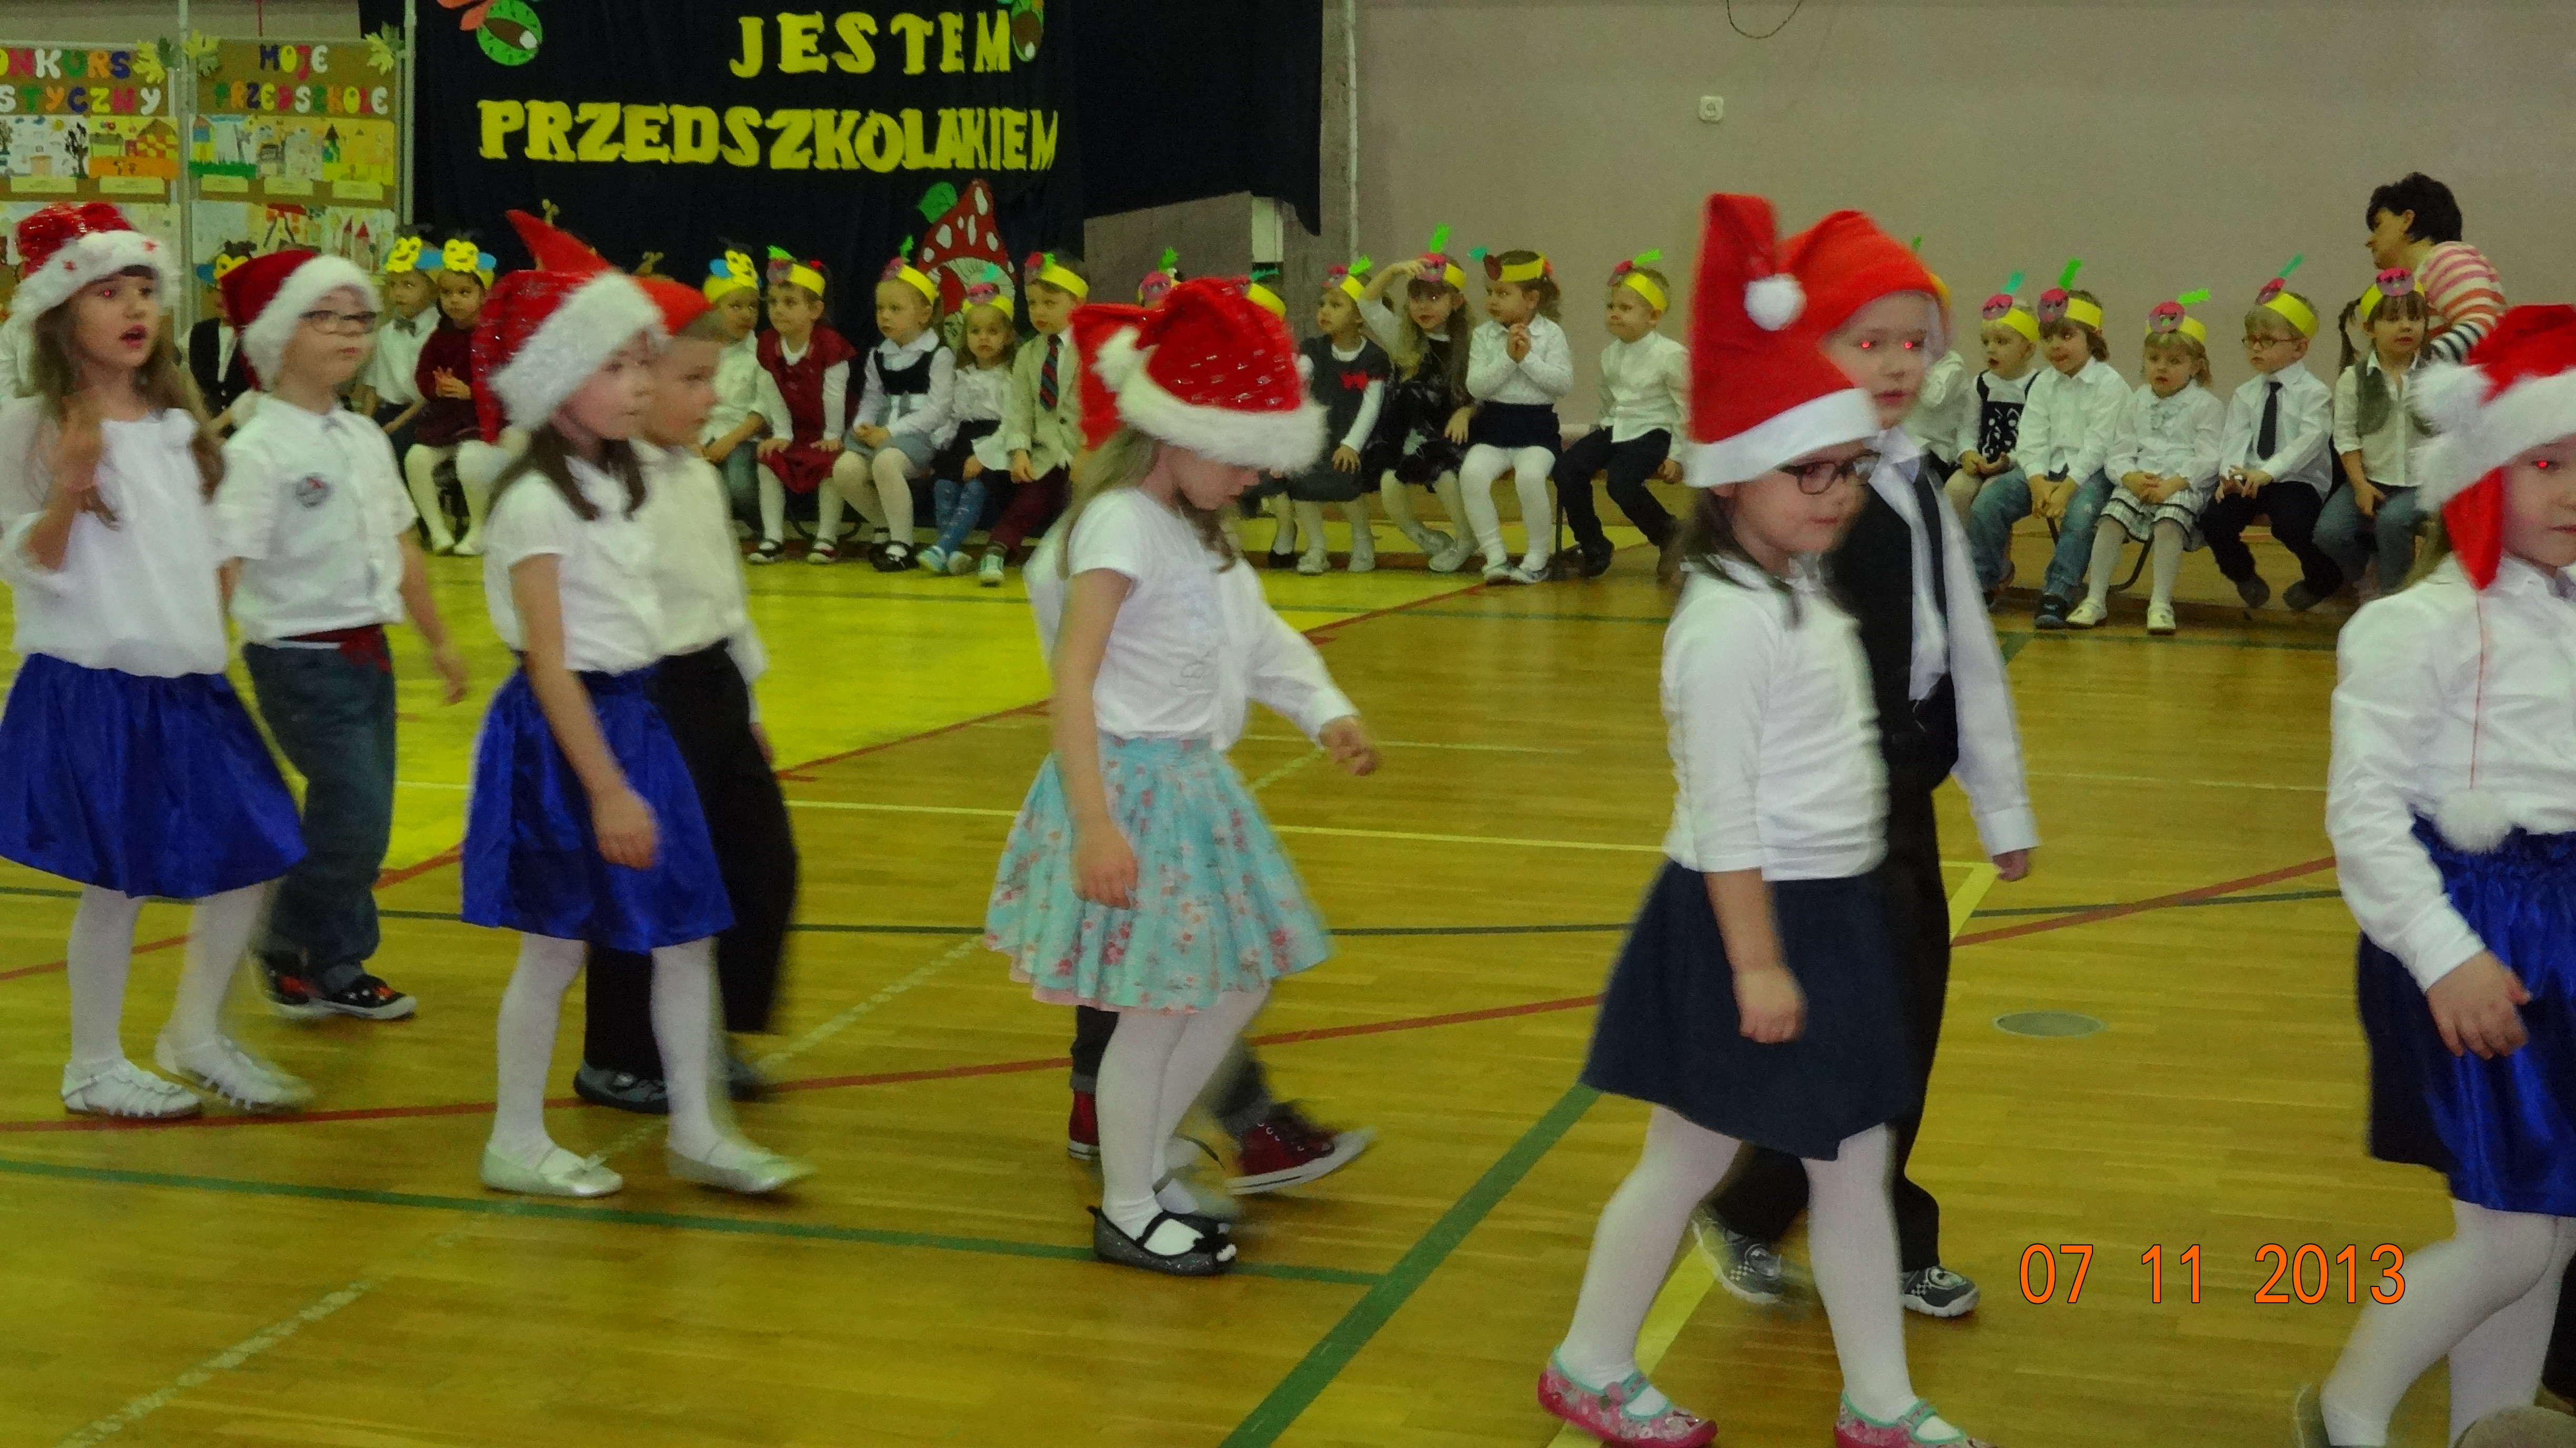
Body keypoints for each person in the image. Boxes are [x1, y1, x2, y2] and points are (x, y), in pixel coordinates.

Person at [1541, 193, 1997, 1448]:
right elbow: (1724, 811)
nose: (1837, 495)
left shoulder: (1800, 588)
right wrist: (1754, 959)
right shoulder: (1726, 622)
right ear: (1734, 471)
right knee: (1688, 1159)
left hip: (1828, 908)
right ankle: (1590, 1360)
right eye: (1811, 472)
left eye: (1846, 470)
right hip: (1744, 915)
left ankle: (1879, 1401)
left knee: (1852, 1159)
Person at [984, 277, 1380, 1275]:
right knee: (1156, 1012)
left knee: (1236, 985)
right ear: (1176, 433)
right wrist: (1094, 823)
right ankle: (1128, 1204)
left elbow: (1260, 637)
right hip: (1133, 790)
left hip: (1194, 789)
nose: (1255, 477)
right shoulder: (1120, 523)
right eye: (1242, 455)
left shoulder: (1197, 526)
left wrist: (1324, 708)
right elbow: (1072, 680)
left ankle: (1148, 1162)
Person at [1694, 208, 2037, 1326]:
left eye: (1914, 342)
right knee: (1853, 1035)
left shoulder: (1912, 479)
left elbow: (1963, 646)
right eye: (1868, 340)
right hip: (1817, 816)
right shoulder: (1790, 491)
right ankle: (1812, 1217)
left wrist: (2000, 801)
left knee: (1907, 1025)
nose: (1897, 363)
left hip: (1903, 804)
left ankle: (1790, 1211)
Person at [460, 212, 806, 1199]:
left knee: (687, 935)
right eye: (616, 367)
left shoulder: (624, 481)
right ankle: (514, 1138)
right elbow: (550, 666)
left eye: (641, 365)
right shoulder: (535, 501)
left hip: (638, 725)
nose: (641, 385)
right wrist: (609, 787)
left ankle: (700, 1129)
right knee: (555, 949)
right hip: (573, 736)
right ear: (553, 379)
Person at [2292, 304, 2576, 1448]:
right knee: (2510, 1235)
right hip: (2468, 932)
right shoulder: (2416, 628)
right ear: (2483, 472)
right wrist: (2447, 954)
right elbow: (2362, 815)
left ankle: (2487, 1426)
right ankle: (2348, 1410)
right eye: (2544, 461)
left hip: (2560, 927)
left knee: (2545, 1219)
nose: (2570, 490)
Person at [0, 202, 309, 1118]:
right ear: (61, 315)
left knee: (258, 845)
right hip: (96, 680)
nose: (135, 308)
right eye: (109, 293)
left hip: (187, 680)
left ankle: (196, 1034)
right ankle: (93, 1063)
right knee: (119, 881)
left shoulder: (177, 419)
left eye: (145, 289)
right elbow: (26, 560)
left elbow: (204, 544)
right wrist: (69, 486)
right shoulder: (33, 423)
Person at [212, 247, 469, 1023]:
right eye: (325, 318)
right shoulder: (258, 450)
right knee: (354, 815)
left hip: (367, 652)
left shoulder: (362, 437)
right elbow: (227, 560)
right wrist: (200, 657)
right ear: (278, 334)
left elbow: (401, 541)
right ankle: (285, 939)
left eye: (359, 317)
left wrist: (438, 639)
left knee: (364, 816)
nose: (351, 331)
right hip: (298, 657)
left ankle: (337, 959)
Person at [573, 274, 801, 1115]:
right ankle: (617, 1053)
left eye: (715, 379)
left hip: (713, 688)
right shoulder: (602, 487)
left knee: (762, 862)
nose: (710, 398)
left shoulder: (697, 478)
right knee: (648, 878)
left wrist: (747, 707)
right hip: (643, 695)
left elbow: (725, 598)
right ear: (635, 378)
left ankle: (701, 1031)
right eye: (693, 380)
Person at [1963, 262, 2128, 626]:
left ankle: (2058, 592)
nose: (2056, 346)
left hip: (2090, 474)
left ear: (2093, 338)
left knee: (2081, 515)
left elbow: (2099, 446)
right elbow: (2032, 438)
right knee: (1988, 502)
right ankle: (1984, 582)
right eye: (2049, 337)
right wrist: (2037, 482)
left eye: (2067, 336)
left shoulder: (2110, 385)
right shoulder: (2044, 384)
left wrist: (2066, 489)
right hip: (2045, 471)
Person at [2065, 293, 2226, 635]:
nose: (2162, 367)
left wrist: (2174, 484)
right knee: (2110, 520)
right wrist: (2130, 477)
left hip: (2182, 485)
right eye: (2154, 359)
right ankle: (2095, 599)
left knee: (2169, 523)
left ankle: (2161, 604)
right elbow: (2119, 450)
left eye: (2174, 361)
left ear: (2196, 366)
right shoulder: (2137, 400)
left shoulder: (2206, 405)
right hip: (2140, 482)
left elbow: (2209, 458)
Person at [2202, 259, 2343, 612]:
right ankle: (2242, 573)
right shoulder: (2246, 393)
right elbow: (2235, 438)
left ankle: (2323, 578)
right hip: (2249, 478)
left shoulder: (2315, 393)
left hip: (2296, 479)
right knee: (2215, 520)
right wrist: (2231, 476)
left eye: (2267, 341)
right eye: (2251, 340)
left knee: (2294, 525)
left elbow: (2310, 441)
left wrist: (2268, 472)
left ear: (2300, 348)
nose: (2256, 348)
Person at [1551, 250, 1685, 577]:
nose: (1614, 314)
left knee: (1621, 482)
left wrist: (1678, 455)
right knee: (1567, 468)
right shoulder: (1610, 355)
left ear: (1653, 317)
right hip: (1616, 428)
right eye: (1611, 306)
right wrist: (1597, 439)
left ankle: (1668, 533)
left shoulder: (1671, 355)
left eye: (1625, 309)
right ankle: (1594, 544)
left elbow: (1687, 409)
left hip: (1654, 432)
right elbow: (1608, 403)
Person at [1357, 233, 1476, 568]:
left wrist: (1467, 412)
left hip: (1453, 432)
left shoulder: (1473, 343)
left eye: (1435, 298)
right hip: (1410, 434)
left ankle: (1466, 538)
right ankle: (1423, 536)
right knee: (1388, 482)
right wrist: (1394, 271)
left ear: (1456, 302)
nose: (1423, 306)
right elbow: (1367, 304)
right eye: (1416, 298)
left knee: (1445, 476)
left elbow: (1486, 394)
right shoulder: (1403, 339)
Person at [2317, 269, 2434, 597]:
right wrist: (2360, 486)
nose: (2407, 327)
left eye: (2415, 318)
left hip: (2420, 482)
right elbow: (2346, 438)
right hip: (2370, 478)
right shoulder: (2352, 379)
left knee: (2393, 522)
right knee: (2329, 533)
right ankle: (2368, 572)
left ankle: (2395, 596)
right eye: (2394, 320)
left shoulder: (2436, 377)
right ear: (2369, 328)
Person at [1460, 248, 1573, 584]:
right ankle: (1495, 557)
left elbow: (1562, 385)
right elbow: (1476, 387)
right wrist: (1509, 358)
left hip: (1537, 430)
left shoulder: (1551, 335)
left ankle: (1536, 558)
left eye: (1503, 294)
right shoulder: (1483, 335)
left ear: (1532, 299)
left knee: (1530, 477)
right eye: (1490, 293)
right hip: (1493, 428)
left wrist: (1527, 359)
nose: (1492, 301)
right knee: (1472, 475)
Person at [842, 251, 955, 571]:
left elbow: (939, 410)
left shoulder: (939, 354)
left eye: (895, 309)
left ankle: (902, 543)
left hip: (920, 434)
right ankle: (885, 526)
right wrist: (864, 424)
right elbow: (872, 398)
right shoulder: (879, 354)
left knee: (887, 462)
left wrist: (890, 432)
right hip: (882, 429)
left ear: (924, 314)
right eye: (881, 309)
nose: (885, 316)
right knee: (845, 469)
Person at [751, 248, 865, 565]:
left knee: (830, 463)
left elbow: (834, 395)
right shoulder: (767, 344)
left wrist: (833, 435)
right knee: (768, 458)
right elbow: (771, 390)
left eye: (790, 303)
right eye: (773, 302)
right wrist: (782, 433)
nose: (778, 310)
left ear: (815, 310)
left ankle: (827, 537)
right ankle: (773, 537)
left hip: (833, 426)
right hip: (796, 427)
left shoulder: (830, 345)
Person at [983, 250, 1088, 586]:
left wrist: (1090, 450)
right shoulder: (1029, 354)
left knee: (1085, 507)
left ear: (1078, 303)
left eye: (1050, 303)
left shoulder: (1092, 348)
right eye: (1032, 303)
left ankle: (1079, 562)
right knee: (1029, 501)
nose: (1039, 312)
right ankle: (997, 550)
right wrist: (1020, 450)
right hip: (1046, 452)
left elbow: (1099, 407)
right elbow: (1020, 409)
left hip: (1085, 452)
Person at [1284, 258, 1389, 575]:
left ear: (1359, 316)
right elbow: (1299, 381)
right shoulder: (1313, 349)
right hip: (1319, 433)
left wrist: (1352, 444)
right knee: (1302, 484)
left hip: (1356, 437)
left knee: (1346, 485)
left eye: (1335, 305)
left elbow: (1372, 406)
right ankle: (1317, 547)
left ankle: (1363, 539)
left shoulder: (1374, 358)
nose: (1325, 311)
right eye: (1322, 304)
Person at [921, 270, 1017, 576]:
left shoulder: (1011, 377)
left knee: (976, 488)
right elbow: (953, 415)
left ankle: (942, 548)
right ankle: (951, 553)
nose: (983, 338)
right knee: (944, 485)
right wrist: (941, 445)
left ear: (1008, 336)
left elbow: (1012, 422)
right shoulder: (962, 374)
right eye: (975, 331)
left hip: (996, 441)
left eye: (992, 331)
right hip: (964, 437)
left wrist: (984, 455)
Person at [404, 236, 495, 555]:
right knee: (415, 458)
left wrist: (472, 392)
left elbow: (506, 382)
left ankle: (479, 528)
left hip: (482, 422)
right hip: (446, 422)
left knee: (470, 458)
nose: (454, 300)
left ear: (484, 295)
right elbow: (423, 375)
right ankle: (438, 531)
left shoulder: (494, 335)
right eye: (447, 293)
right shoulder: (440, 336)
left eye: (464, 292)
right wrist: (436, 387)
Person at [2363, 172, 2504, 365]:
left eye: (2378, 225)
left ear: (2407, 220)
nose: (2369, 241)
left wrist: (2414, 366)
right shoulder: (2428, 272)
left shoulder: (2446, 258)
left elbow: (2483, 327)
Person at [693, 249, 776, 550]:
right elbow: (689, 400)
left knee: (739, 485)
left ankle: (766, 528)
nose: (746, 314)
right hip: (701, 437)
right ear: (713, 310)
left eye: (753, 307)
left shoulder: (761, 352)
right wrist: (691, 440)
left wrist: (731, 440)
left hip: (743, 437)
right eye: (736, 306)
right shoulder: (699, 352)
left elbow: (763, 408)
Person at [1944, 280, 2042, 520]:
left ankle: (1990, 547)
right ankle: (1959, 545)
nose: (1991, 349)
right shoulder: (1981, 384)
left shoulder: (2039, 386)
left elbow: (2039, 440)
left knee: (1991, 498)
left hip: (2017, 467)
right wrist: (1967, 453)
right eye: (1986, 342)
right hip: (1980, 464)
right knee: (1954, 491)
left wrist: (2009, 462)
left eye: (2002, 342)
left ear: (2028, 350)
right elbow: (1967, 427)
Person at [351, 232, 433, 455]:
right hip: (389, 412)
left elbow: (430, 394)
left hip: (424, 414)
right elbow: (374, 387)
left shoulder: (439, 332)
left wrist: (396, 425)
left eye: (408, 285)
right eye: (393, 285)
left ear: (433, 287)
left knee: (398, 446)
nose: (398, 293)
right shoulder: (387, 332)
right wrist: (365, 426)